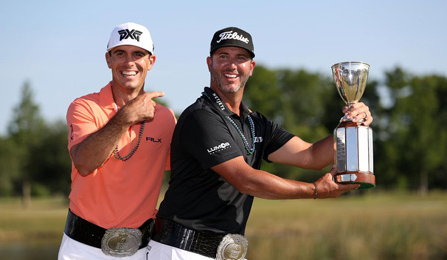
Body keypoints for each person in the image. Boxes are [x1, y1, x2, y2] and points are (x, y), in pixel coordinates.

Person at [146, 27, 373, 260]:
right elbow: (245, 180)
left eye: (240, 58)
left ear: (251, 67)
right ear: (209, 63)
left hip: (226, 252)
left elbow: (312, 155)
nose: (231, 65)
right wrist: (315, 190)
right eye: (223, 56)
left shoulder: (255, 122)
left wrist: (350, 125)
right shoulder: (201, 116)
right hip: (180, 250)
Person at [58, 22, 176, 260]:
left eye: (138, 54)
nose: (129, 62)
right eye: (120, 53)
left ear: (150, 62)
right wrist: (126, 117)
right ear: (108, 59)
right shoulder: (84, 107)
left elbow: (185, 174)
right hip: (82, 248)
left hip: (142, 249)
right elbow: (84, 162)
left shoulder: (165, 117)